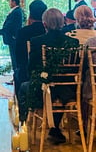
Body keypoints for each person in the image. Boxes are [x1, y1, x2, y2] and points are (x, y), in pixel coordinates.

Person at [18, 8, 79, 145]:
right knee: (57, 92)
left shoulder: (36, 41)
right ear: (63, 22)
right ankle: (54, 128)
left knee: (23, 87)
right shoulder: (73, 42)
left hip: (43, 90)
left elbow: (31, 68)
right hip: (68, 92)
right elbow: (75, 69)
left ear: (44, 24)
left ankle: (23, 126)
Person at [14, 0, 47, 97]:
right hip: (49, 73)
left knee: (17, 74)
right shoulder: (47, 31)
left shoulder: (22, 32)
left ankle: (22, 108)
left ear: (30, 14)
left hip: (27, 72)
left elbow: (18, 57)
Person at [0, 0, 23, 84]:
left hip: (13, 38)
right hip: (12, 38)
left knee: (15, 58)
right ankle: (15, 77)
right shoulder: (16, 11)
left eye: (10, 1)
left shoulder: (16, 12)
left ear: (14, 2)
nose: (9, 3)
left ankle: (16, 78)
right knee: (14, 58)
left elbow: (9, 25)